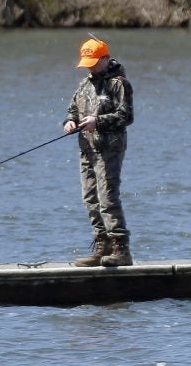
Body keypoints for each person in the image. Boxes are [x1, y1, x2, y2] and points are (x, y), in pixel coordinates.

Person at [63, 38, 134, 267]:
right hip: (87, 150)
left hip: (109, 149)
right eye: (87, 63)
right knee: (90, 199)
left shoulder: (119, 84)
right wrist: (70, 122)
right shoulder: (85, 84)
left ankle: (121, 250)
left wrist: (98, 121)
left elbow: (126, 116)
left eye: (94, 62)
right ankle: (102, 247)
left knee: (108, 199)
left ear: (105, 58)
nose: (90, 67)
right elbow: (73, 109)